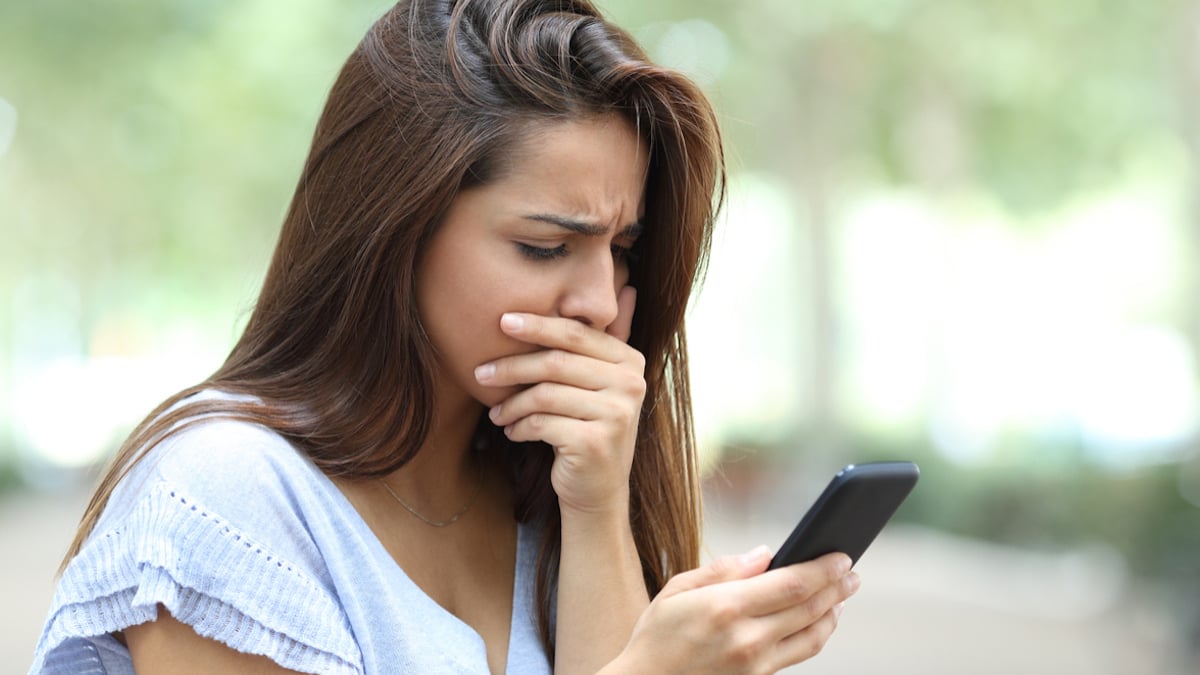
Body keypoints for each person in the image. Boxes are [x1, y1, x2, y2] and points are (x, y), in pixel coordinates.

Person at [30, 0, 861, 673]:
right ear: (396, 231)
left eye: (623, 250)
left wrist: (598, 502)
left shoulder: (549, 493)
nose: (601, 302)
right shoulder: (228, 498)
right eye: (545, 247)